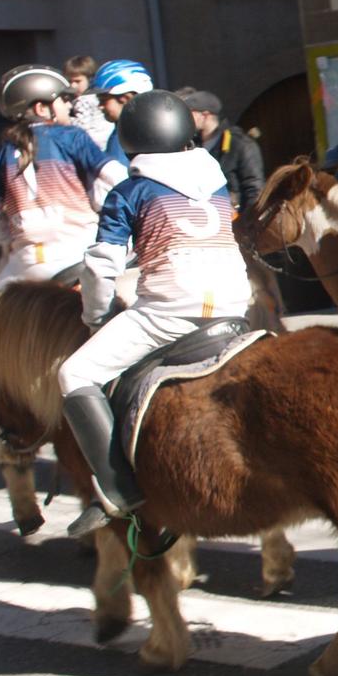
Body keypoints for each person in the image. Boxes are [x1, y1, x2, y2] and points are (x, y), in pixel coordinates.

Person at [55, 90, 252, 537]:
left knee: (74, 374)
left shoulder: (131, 190)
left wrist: (95, 317)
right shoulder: (216, 181)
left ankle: (118, 492)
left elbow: (101, 266)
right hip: (234, 303)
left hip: (170, 311)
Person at [0, 65, 127, 288]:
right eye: (63, 99)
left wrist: (9, 241)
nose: (69, 105)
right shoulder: (71, 136)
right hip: (82, 250)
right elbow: (115, 177)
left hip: (28, 262)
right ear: (41, 108)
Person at [180, 90, 265, 216]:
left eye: (190, 113)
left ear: (205, 115)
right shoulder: (192, 145)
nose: (185, 118)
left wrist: (245, 223)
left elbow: (254, 188)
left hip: (236, 223)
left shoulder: (240, 144)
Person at [91, 59, 154, 144]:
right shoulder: (120, 132)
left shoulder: (137, 135)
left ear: (126, 99)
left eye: (103, 100)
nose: (100, 106)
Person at [64, 54, 109, 146]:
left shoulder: (84, 100)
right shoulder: (96, 97)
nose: (73, 86)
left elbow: (82, 127)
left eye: (77, 81)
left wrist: (66, 120)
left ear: (90, 79)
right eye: (70, 81)